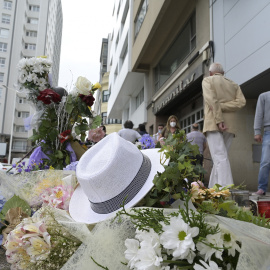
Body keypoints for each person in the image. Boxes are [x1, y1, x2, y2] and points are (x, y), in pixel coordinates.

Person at [202, 62, 246, 188]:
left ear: (211, 72)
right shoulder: (233, 84)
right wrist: (224, 106)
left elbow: (211, 100)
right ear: (223, 73)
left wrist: (219, 117)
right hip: (230, 125)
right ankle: (213, 189)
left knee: (219, 157)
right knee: (221, 157)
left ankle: (225, 190)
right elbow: (241, 103)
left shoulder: (207, 80)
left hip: (213, 122)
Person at [253, 91, 270, 195]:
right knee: (265, 161)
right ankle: (262, 188)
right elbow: (259, 113)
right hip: (269, 131)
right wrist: (257, 131)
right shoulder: (264, 96)